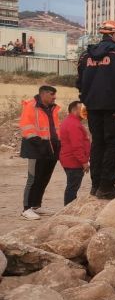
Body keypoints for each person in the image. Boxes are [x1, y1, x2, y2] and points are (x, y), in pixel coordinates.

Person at [76, 20, 115, 199]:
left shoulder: (85, 56)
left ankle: (96, 187)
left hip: (92, 107)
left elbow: (79, 81)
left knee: (98, 144)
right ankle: (107, 187)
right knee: (114, 144)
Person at [19, 85, 61, 220]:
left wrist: (58, 144)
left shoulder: (53, 108)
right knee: (33, 178)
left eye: (55, 94)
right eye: (51, 94)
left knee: (44, 178)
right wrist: (39, 144)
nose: (54, 97)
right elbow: (27, 128)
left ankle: (36, 205)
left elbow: (55, 129)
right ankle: (26, 209)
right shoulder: (30, 106)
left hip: (51, 148)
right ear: (43, 94)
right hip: (36, 148)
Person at [59, 101, 90, 205]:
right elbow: (77, 146)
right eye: (81, 109)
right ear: (74, 110)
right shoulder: (74, 124)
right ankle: (68, 210)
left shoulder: (70, 122)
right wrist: (84, 162)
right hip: (73, 161)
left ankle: (68, 208)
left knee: (72, 186)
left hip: (70, 160)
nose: (84, 111)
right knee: (72, 188)